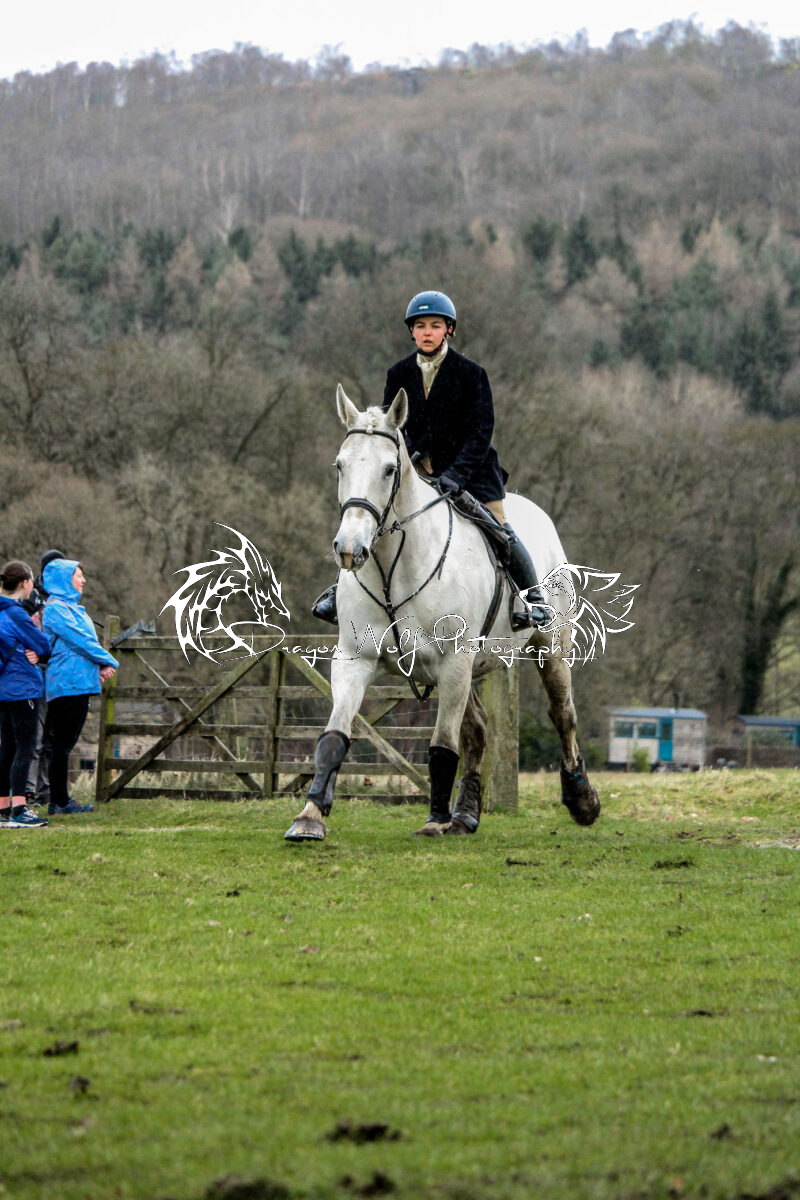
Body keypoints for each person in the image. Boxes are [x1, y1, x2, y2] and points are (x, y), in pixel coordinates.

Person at [313, 290, 548, 629]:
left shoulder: (471, 373)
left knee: (499, 529)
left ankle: (533, 599)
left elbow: (481, 432)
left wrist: (456, 475)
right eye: (420, 326)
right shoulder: (398, 373)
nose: (427, 332)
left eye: (435, 326)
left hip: (472, 471)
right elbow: (392, 429)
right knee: (371, 516)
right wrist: (410, 459)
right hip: (417, 471)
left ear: (448, 330)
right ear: (412, 331)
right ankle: (342, 590)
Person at [41, 558, 118, 816]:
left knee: (64, 743)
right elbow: (79, 640)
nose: (83, 580)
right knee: (61, 744)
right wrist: (108, 660)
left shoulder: (73, 609)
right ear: (65, 579)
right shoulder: (56, 609)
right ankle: (59, 802)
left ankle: (59, 800)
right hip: (67, 684)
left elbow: (82, 644)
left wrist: (99, 665)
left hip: (78, 683)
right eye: (78, 575)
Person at [0, 561, 53, 828]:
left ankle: (2, 808)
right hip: (22, 688)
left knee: (6, 748)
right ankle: (20, 809)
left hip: (2, 690)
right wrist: (33, 651)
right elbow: (42, 645)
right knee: (25, 748)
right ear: (25, 583)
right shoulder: (16, 613)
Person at [24, 549, 65, 808]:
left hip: (57, 673)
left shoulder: (63, 597)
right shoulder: (33, 599)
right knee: (37, 735)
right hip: (38, 673)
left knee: (53, 735)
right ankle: (30, 791)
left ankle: (45, 789)